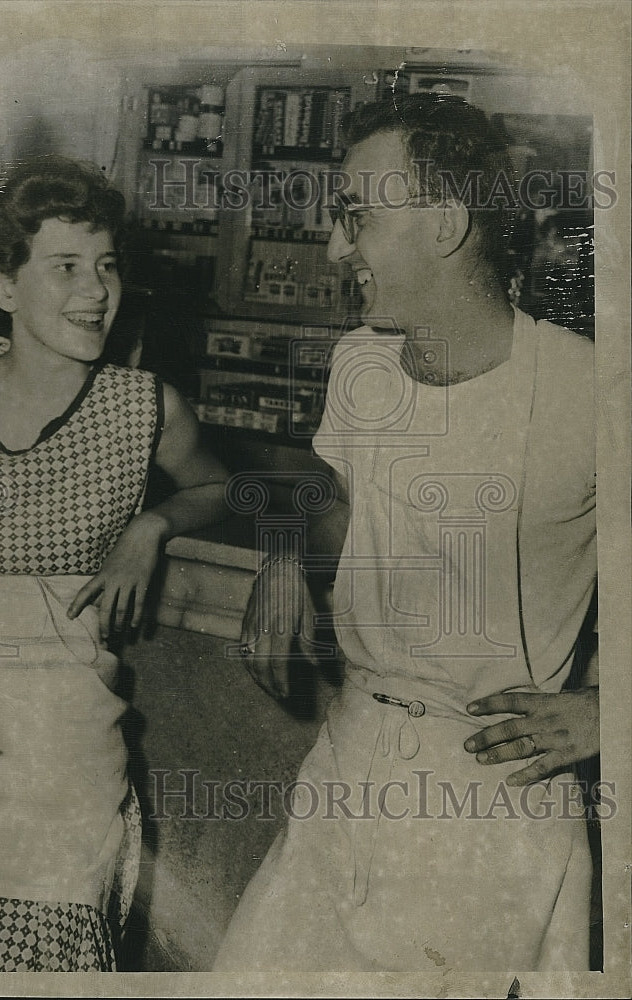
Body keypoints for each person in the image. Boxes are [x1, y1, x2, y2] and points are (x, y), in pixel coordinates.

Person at [214, 94, 598, 971]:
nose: (334, 247)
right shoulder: (362, 365)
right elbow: (355, 508)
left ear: (443, 224)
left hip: (484, 792)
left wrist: (604, 710)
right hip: (348, 759)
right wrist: (284, 552)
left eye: (356, 218)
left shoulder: (587, 390)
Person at [0, 155, 228, 972]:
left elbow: (221, 486)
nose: (97, 291)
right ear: (4, 287)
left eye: (107, 266)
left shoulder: (143, 406)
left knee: (54, 945)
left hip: (67, 742)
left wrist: (151, 524)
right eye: (67, 268)